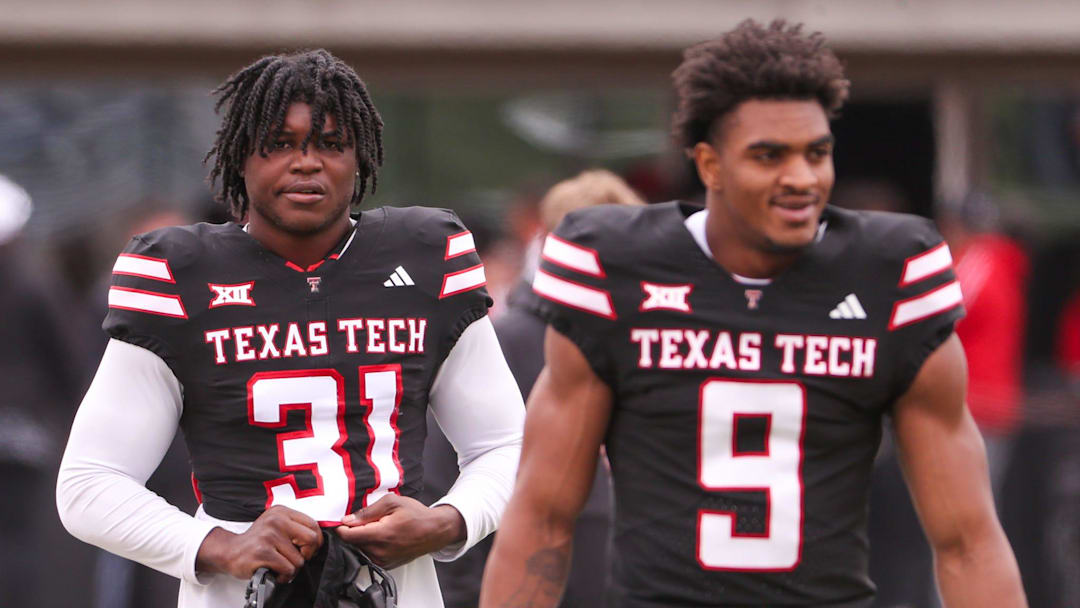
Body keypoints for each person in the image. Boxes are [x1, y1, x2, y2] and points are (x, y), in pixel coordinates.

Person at [480, 20, 1026, 607]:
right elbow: (542, 517)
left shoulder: (887, 273)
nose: (801, 177)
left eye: (816, 153)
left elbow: (967, 539)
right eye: (769, 156)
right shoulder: (619, 267)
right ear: (711, 166)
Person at [57, 49, 525, 608]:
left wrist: (449, 521)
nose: (306, 163)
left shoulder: (426, 255)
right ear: (240, 159)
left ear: (360, 158)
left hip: (396, 590)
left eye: (330, 144)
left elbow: (510, 446)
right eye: (279, 143)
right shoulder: (182, 273)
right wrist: (217, 543)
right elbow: (88, 484)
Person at [426, 169, 645, 608]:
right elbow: (442, 486)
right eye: (592, 249)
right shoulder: (504, 343)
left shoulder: (653, 347)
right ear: (549, 245)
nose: (608, 267)